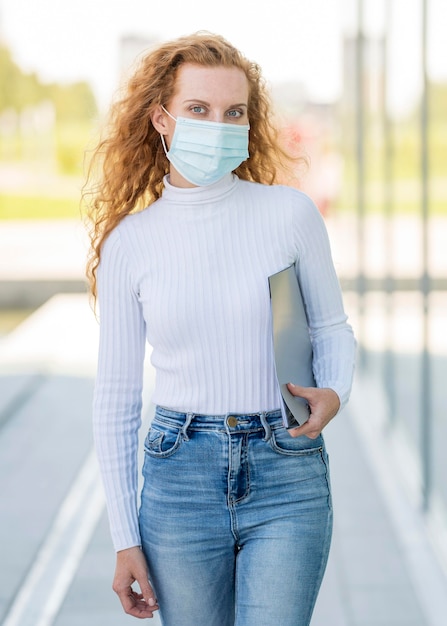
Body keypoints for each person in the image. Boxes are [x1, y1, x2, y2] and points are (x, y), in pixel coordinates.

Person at [85, 31, 356, 626]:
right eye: (198, 110)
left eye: (234, 112)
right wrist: (123, 537)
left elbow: (333, 329)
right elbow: (115, 400)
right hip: (178, 475)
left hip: (286, 467)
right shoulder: (131, 244)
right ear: (162, 118)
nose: (219, 124)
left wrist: (333, 391)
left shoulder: (290, 215)